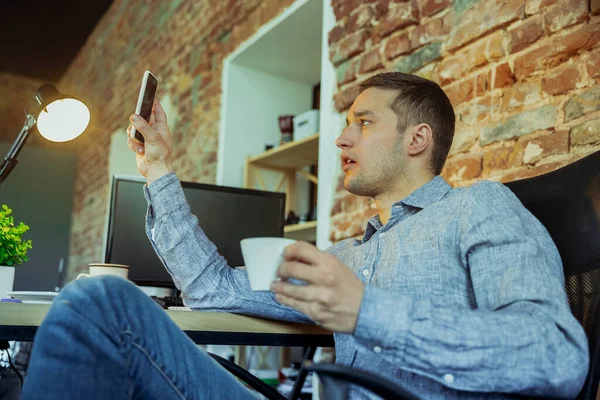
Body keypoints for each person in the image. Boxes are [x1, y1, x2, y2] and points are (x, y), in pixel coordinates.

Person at [21, 72, 588, 399]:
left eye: (363, 123)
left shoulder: (479, 208)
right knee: (101, 306)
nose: (342, 139)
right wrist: (160, 172)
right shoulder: (347, 255)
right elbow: (212, 289)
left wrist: (367, 310)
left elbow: (556, 356)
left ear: (418, 139)